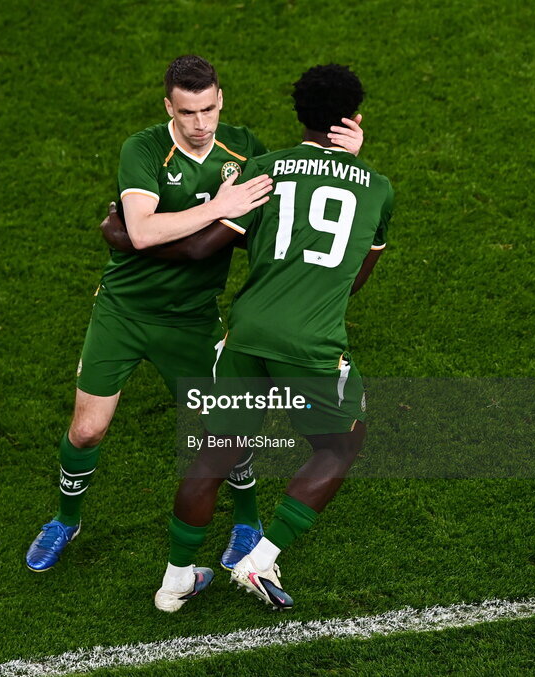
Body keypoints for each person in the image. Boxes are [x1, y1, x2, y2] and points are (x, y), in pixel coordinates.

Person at [26, 55, 365, 574]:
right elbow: (141, 230)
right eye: (187, 112)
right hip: (123, 311)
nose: (200, 123)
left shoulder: (244, 148)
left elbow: (306, 180)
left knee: (226, 433)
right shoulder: (142, 150)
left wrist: (351, 149)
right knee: (88, 429)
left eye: (208, 108)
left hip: (194, 320)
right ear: (169, 107)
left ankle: (246, 522)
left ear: (220, 99)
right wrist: (218, 206)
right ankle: (65, 519)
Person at [151, 63, 392, 612]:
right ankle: (259, 560)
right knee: (341, 443)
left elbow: (218, 239)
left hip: (247, 332)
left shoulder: (262, 168)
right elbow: (356, 273)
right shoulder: (377, 189)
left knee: (214, 454)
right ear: (352, 120)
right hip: (312, 341)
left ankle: (174, 582)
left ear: (297, 114)